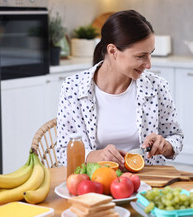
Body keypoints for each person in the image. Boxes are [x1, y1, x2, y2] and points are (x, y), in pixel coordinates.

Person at [56, 10, 183, 169]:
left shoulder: (157, 87)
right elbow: (62, 152)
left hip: (149, 181)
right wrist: (97, 156)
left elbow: (176, 137)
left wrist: (165, 145)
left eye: (150, 54)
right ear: (113, 51)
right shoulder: (73, 88)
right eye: (140, 56)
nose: (149, 64)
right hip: (95, 184)